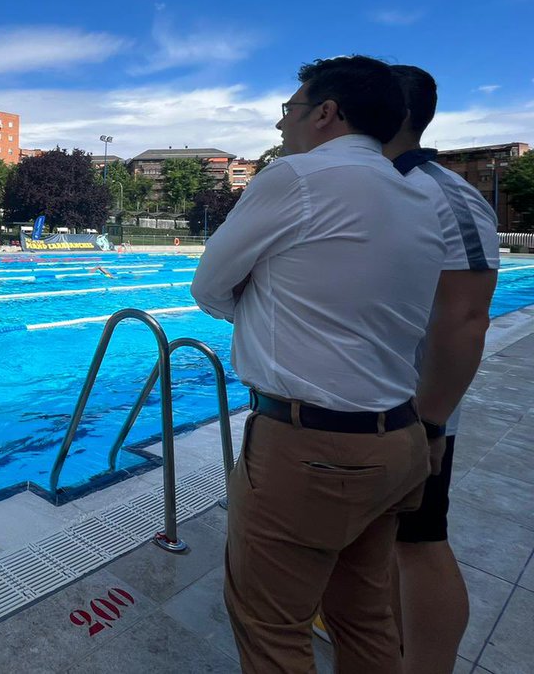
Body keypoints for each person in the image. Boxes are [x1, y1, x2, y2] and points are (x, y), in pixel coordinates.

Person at [190, 56, 446, 673]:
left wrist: (256, 304)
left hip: (311, 450)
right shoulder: (421, 197)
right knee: (366, 623)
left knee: (272, 628)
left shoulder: (296, 179)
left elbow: (208, 286)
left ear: (326, 113)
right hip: (398, 442)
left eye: (289, 111)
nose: (282, 128)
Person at [383, 65, 500, 674]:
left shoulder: (443, 193)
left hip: (410, 412)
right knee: (383, 546)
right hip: (356, 407)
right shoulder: (363, 185)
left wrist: (428, 423)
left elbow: (466, 318)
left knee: (419, 543)